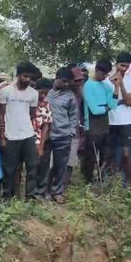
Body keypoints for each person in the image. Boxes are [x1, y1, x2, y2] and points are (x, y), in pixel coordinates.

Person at [0, 62, 37, 199]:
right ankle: (7, 196)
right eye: (25, 76)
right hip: (10, 135)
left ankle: (30, 196)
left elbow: (32, 115)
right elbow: (0, 115)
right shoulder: (5, 91)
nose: (27, 80)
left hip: (28, 135)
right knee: (10, 168)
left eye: (30, 77)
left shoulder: (34, 93)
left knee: (32, 166)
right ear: (18, 75)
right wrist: (2, 136)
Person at [81, 58, 119, 184]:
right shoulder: (88, 86)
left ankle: (101, 179)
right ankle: (88, 180)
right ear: (96, 70)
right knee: (91, 156)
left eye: (106, 74)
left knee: (105, 155)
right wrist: (106, 107)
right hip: (92, 126)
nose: (104, 77)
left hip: (104, 126)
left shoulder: (107, 86)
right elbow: (94, 110)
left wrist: (116, 87)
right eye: (103, 74)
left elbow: (113, 105)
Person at [44, 68, 79, 203]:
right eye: (63, 81)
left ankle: (57, 192)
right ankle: (43, 191)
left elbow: (74, 116)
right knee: (45, 165)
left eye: (68, 82)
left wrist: (70, 132)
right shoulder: (47, 92)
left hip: (63, 135)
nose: (66, 84)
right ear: (56, 78)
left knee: (60, 165)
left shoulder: (70, 96)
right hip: (47, 135)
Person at [107, 52, 131, 185]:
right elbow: (107, 102)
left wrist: (121, 85)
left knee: (126, 153)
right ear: (116, 64)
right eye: (121, 65)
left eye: (126, 66)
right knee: (110, 153)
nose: (123, 68)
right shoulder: (106, 81)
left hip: (126, 122)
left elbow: (129, 102)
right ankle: (112, 182)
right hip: (110, 121)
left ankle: (128, 182)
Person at [64, 67, 86, 189]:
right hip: (61, 131)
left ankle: (64, 185)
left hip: (75, 131)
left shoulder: (80, 94)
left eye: (80, 81)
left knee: (71, 160)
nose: (78, 83)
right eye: (76, 81)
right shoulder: (62, 93)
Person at [33, 78, 53, 198]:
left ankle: (40, 191)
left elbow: (46, 125)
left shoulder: (47, 104)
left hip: (41, 139)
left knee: (43, 165)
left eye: (46, 93)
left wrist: (41, 145)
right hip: (27, 138)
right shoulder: (29, 102)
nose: (43, 95)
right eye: (41, 92)